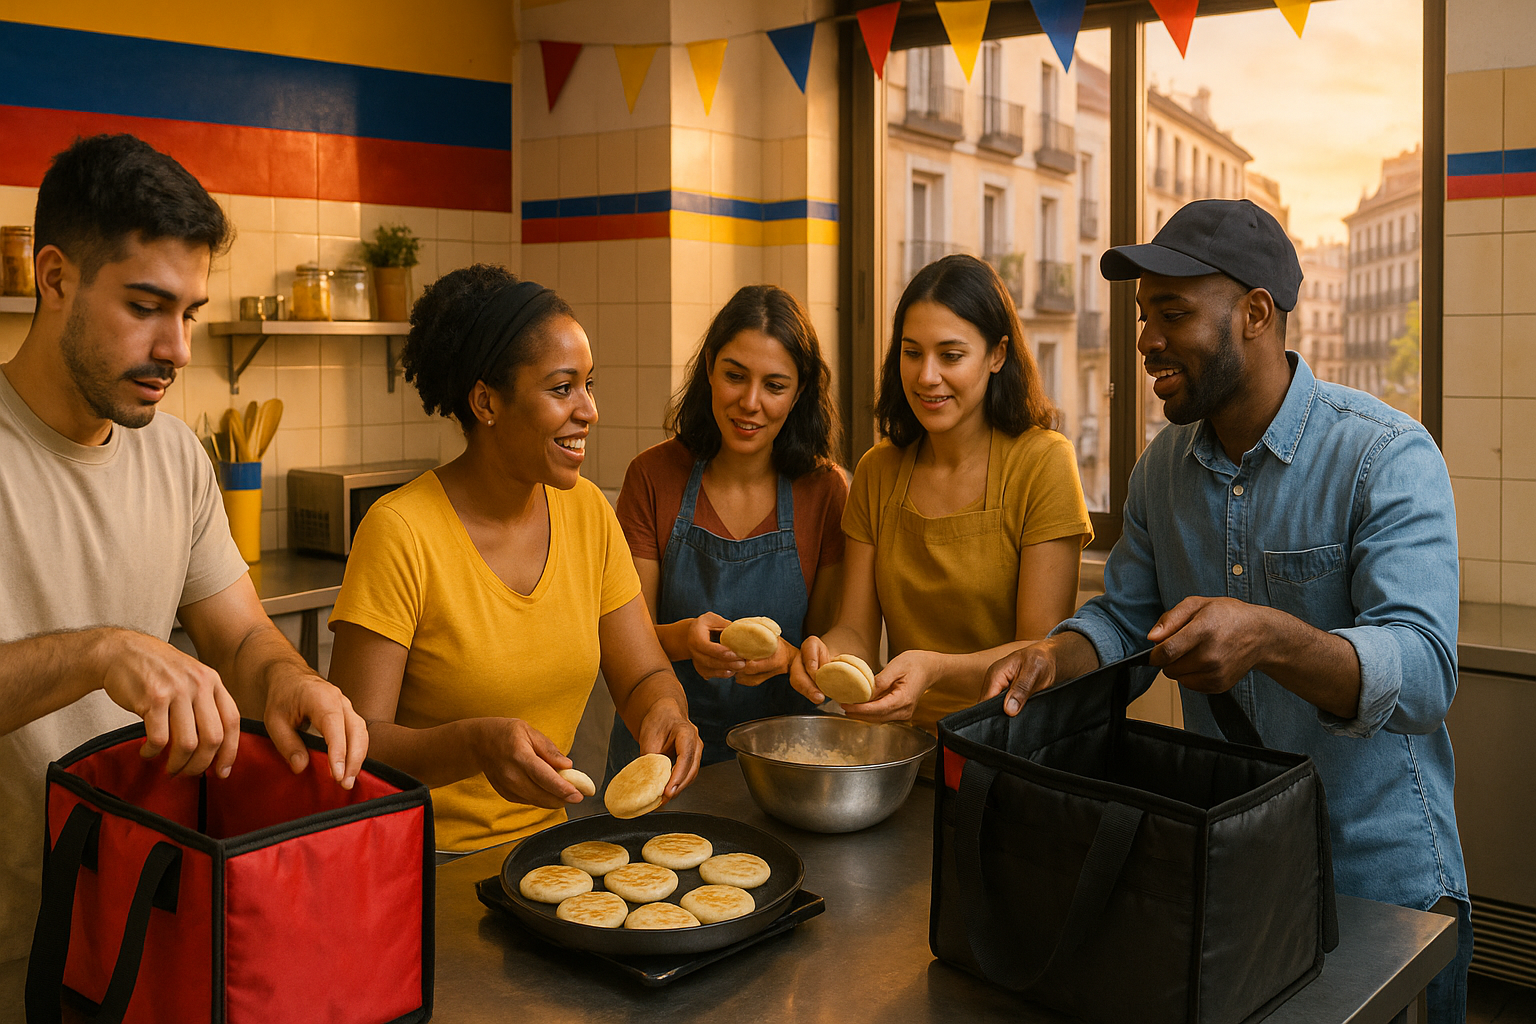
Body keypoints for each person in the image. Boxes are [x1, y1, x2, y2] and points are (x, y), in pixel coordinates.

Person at [984, 199, 1471, 1023]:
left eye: (1172, 312)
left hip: (1382, 887)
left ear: (1255, 314)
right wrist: (1053, 658)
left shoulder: (1386, 456)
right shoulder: (1162, 468)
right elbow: (1122, 623)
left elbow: (1423, 676)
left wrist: (1269, 638)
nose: (1145, 340)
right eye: (1144, 316)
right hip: (1231, 873)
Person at [0, 134, 366, 1016]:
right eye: (146, 305)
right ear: (54, 278)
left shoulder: (173, 454)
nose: (180, 348)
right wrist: (99, 652)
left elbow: (238, 631)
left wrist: (292, 681)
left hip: (139, 930)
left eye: (192, 311)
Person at [326, 265, 702, 855]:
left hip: (550, 854)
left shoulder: (588, 515)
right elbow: (356, 745)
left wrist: (666, 711)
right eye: (561, 388)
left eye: (589, 384)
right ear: (486, 401)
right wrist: (475, 746)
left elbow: (643, 674)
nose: (589, 411)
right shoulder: (400, 532)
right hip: (423, 863)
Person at [790, 254, 1094, 734]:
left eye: (950, 356)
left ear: (997, 355)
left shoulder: (1043, 462)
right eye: (912, 353)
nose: (926, 376)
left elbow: (1038, 650)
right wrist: (826, 653)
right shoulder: (877, 470)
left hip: (1008, 746)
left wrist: (934, 669)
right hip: (903, 750)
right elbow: (857, 632)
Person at [605, 285, 848, 776]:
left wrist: (788, 658)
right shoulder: (652, 477)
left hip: (784, 762)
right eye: (735, 376)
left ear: (800, 391)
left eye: (775, 385)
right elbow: (625, 638)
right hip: (662, 753)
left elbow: (826, 650)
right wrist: (682, 641)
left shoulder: (824, 492)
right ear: (710, 369)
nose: (750, 403)